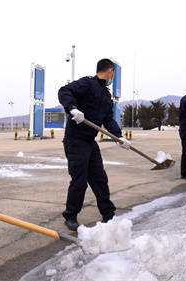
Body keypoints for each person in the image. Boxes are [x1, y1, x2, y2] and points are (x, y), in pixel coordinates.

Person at [58, 58, 131, 231]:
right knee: (80, 180)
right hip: (75, 140)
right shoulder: (87, 83)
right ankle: (70, 216)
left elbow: (108, 119)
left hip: (90, 142)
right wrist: (72, 108)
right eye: (113, 73)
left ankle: (108, 214)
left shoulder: (106, 95)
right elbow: (64, 91)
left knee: (99, 178)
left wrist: (119, 137)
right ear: (110, 71)